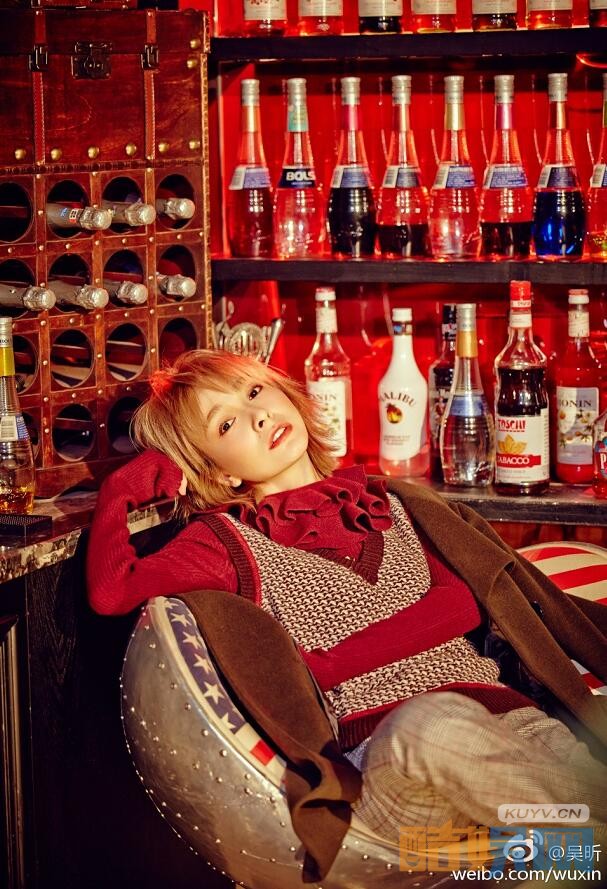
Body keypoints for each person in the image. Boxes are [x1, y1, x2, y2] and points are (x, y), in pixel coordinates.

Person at [87, 348, 607, 871]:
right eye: (226, 424)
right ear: (219, 474)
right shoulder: (227, 543)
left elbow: (462, 607)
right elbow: (113, 591)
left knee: (579, 778)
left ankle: (588, 852)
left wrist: (331, 662)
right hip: (389, 768)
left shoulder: (391, 501)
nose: (258, 415)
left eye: (254, 391)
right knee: (432, 724)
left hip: (514, 724)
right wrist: (120, 490)